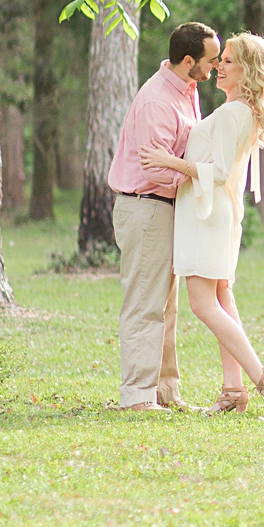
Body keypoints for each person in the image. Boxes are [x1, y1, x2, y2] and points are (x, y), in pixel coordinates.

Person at [142, 32, 264, 415]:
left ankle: (261, 377)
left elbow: (218, 172)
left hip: (207, 214)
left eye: (227, 61)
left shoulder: (234, 112)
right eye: (220, 60)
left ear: (247, 69)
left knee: (202, 305)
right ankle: (233, 390)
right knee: (222, 299)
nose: (218, 67)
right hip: (216, 214)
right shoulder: (238, 110)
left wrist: (168, 161)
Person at [106, 21, 219, 411]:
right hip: (146, 207)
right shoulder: (157, 100)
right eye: (210, 60)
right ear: (188, 60)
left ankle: (165, 392)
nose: (215, 68)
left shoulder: (187, 90)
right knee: (145, 302)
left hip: (167, 208)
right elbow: (155, 169)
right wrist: (198, 178)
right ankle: (137, 397)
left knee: (167, 305)